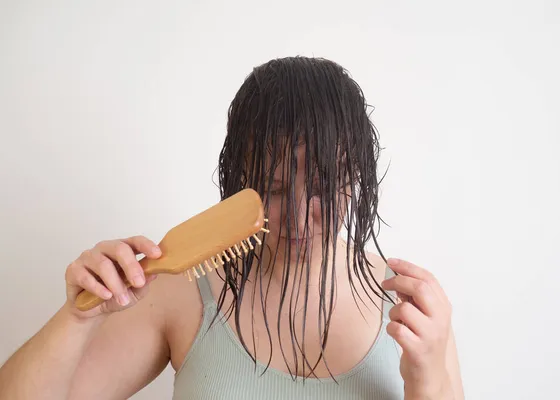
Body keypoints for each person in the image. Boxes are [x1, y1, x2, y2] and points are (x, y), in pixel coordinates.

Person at [0, 56, 464, 400]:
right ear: (240, 181)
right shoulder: (183, 291)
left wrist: (425, 379)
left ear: (355, 176)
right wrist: (77, 320)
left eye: (322, 187)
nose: (300, 217)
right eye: (275, 188)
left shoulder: (410, 309)